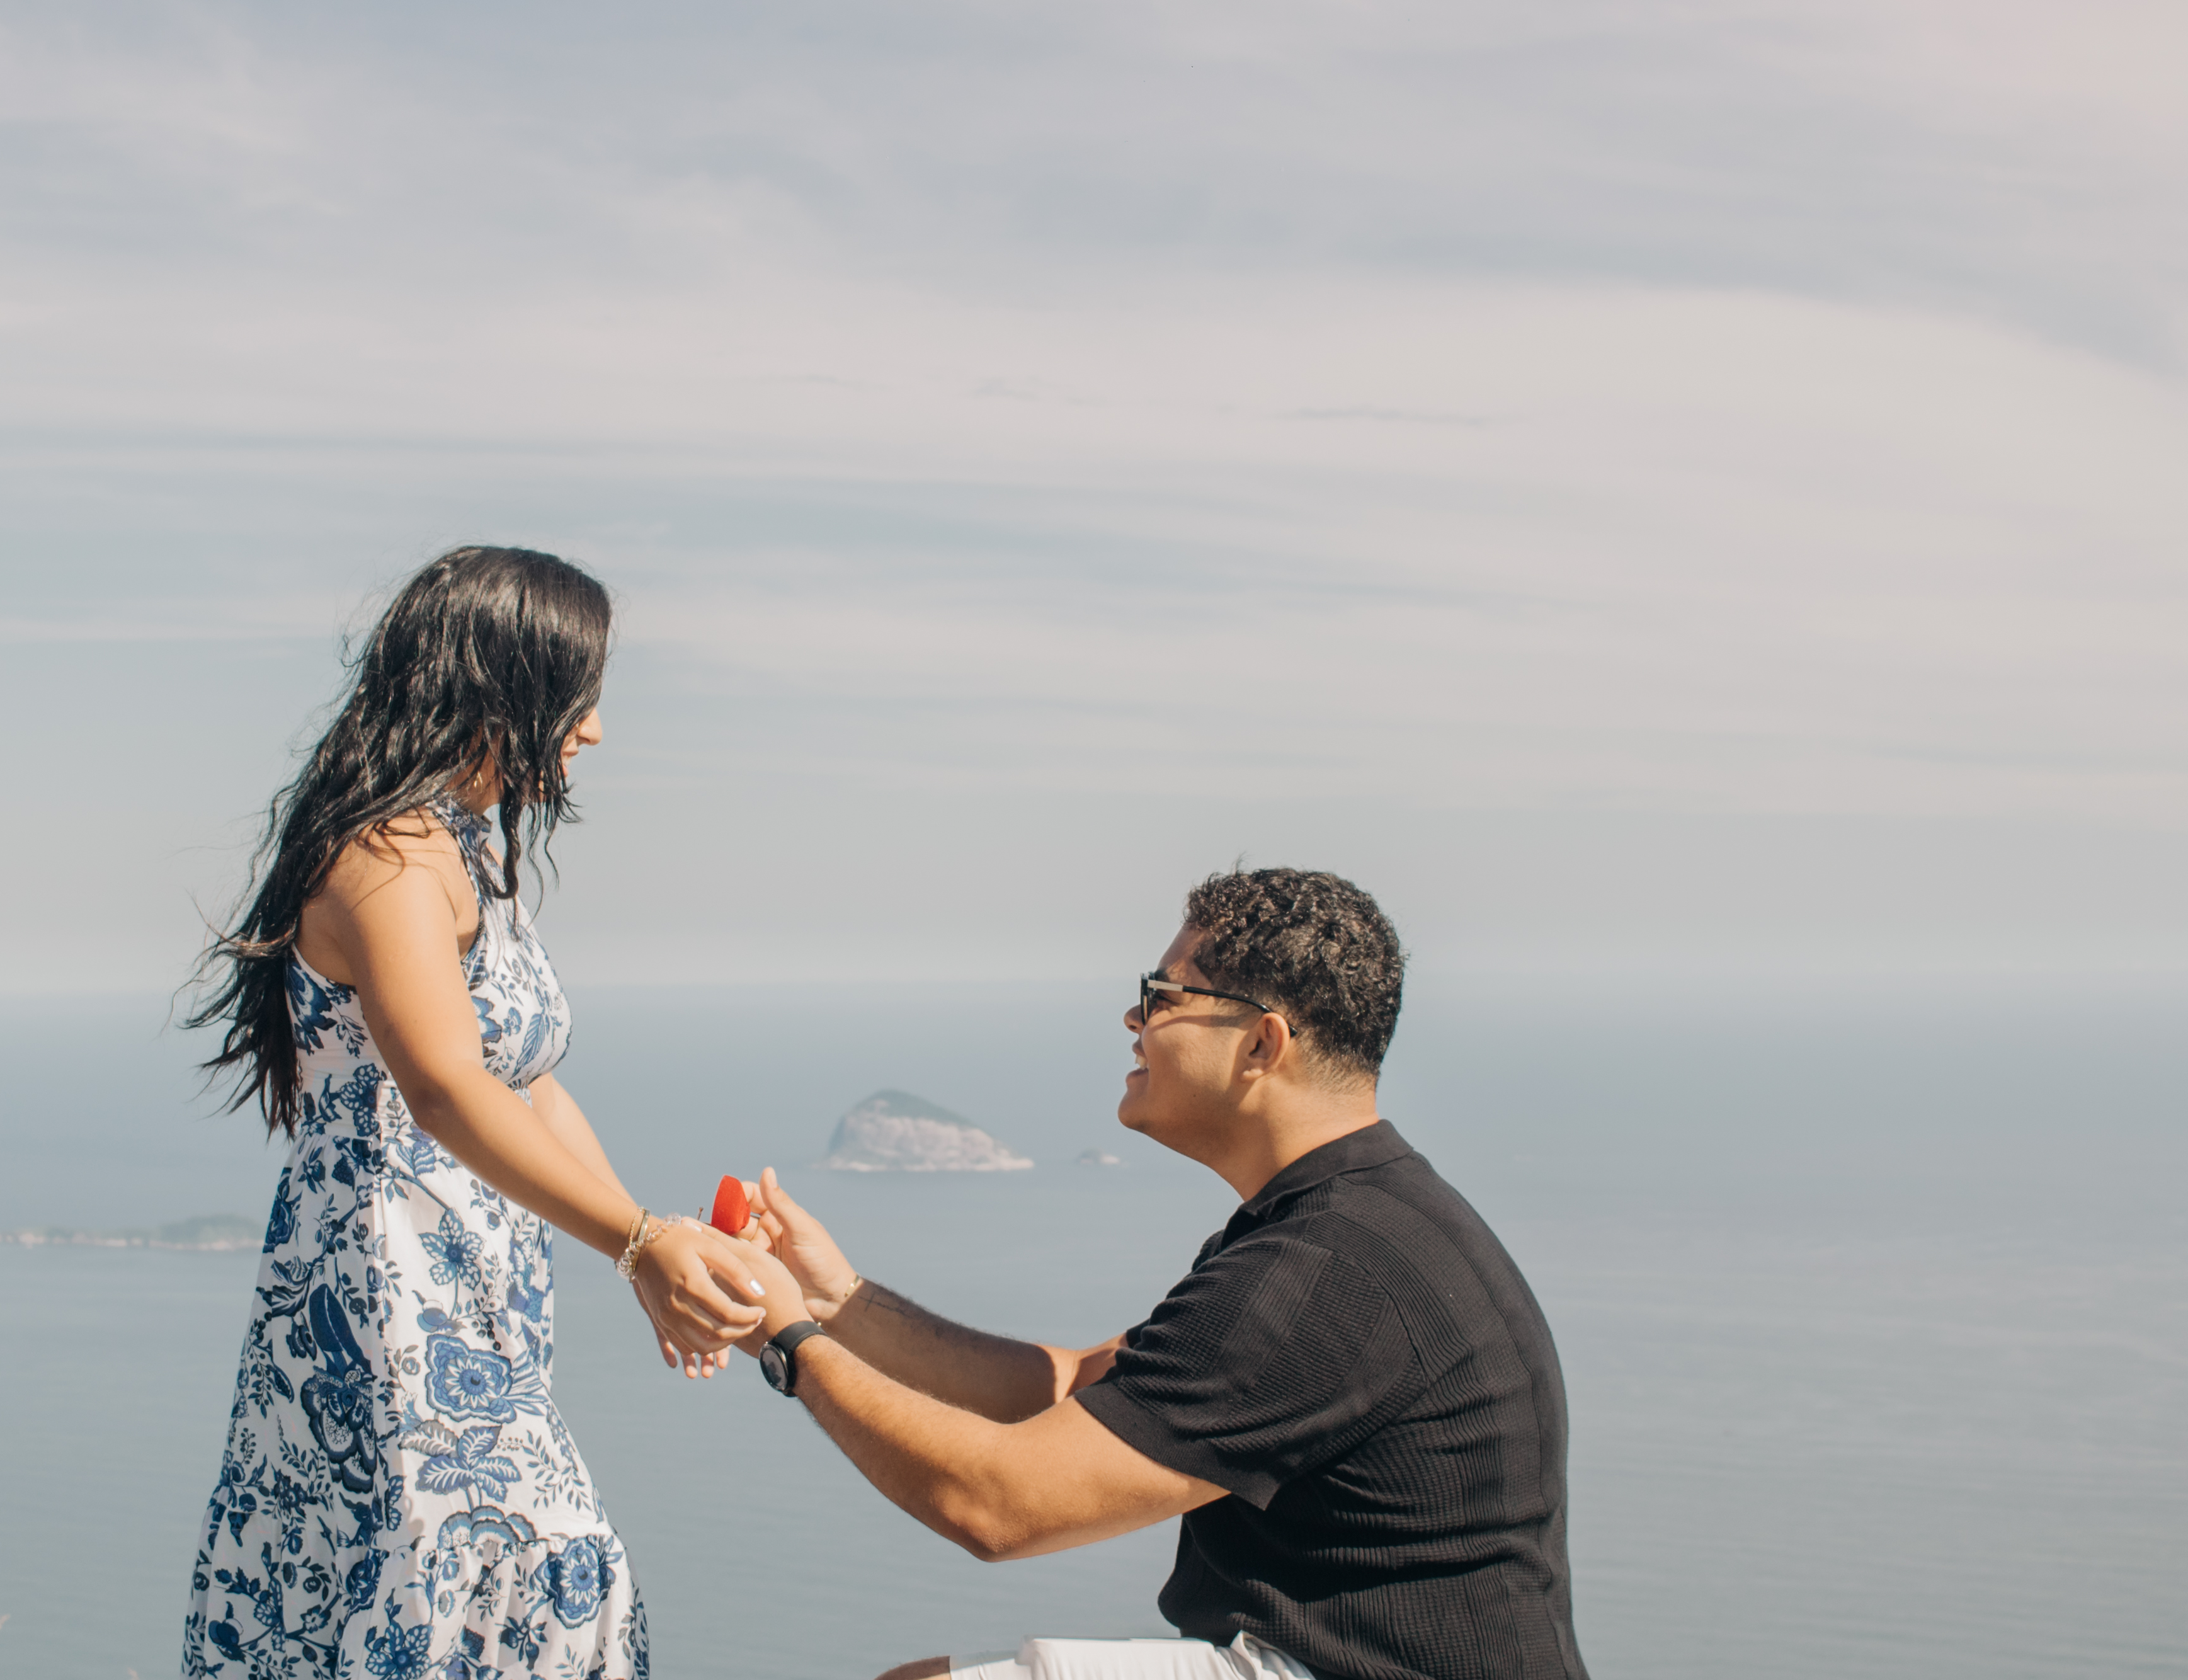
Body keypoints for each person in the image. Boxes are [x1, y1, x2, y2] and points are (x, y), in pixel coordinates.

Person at [732, 869, 1588, 1680]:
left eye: (1163, 996)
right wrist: (837, 1303)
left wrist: (790, 1343)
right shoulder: (1346, 1222)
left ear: (1262, 1042)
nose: (1133, 1019)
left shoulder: (1319, 1277)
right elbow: (1070, 1384)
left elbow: (995, 1507)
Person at [180, 547, 770, 1679]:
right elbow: (447, 1084)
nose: (593, 731)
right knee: (507, 1574)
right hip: (389, 1285)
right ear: (506, 687)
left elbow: (530, 1083)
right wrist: (639, 1244)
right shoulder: (385, 853)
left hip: (471, 1287)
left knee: (462, 1593)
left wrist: (651, 1242)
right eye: (581, 696)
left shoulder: (458, 844)